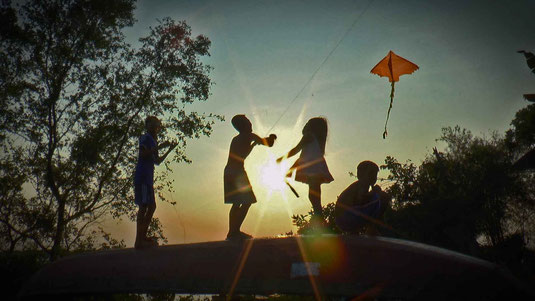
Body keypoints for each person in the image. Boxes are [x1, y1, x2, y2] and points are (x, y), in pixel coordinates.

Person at [224, 115, 276, 241]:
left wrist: (252, 145)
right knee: (248, 201)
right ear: (243, 125)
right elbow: (268, 144)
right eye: (248, 121)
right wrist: (272, 138)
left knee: (236, 203)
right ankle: (234, 231)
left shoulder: (236, 139)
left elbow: (242, 153)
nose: (250, 123)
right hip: (237, 172)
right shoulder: (249, 136)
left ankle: (233, 232)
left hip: (229, 172)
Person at [277, 117, 334, 227]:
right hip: (317, 167)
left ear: (312, 127)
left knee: (313, 195)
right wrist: (291, 170)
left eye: (308, 123)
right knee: (315, 193)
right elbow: (301, 158)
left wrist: (282, 158)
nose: (305, 125)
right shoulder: (318, 141)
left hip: (312, 168)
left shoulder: (308, 136)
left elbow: (296, 150)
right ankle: (318, 217)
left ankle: (318, 218)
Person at [134, 116, 177, 249]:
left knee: (150, 206)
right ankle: (139, 240)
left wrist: (169, 150)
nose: (155, 127)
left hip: (148, 177)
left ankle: (142, 237)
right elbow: (143, 154)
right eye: (152, 124)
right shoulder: (145, 138)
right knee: (145, 206)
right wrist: (159, 147)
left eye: (156, 125)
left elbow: (157, 161)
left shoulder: (153, 140)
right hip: (143, 176)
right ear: (147, 125)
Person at [335, 160, 391, 235]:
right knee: (383, 196)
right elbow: (360, 199)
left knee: (377, 199)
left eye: (375, 175)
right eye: (371, 174)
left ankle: (356, 231)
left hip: (343, 218)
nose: (374, 178)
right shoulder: (362, 184)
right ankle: (372, 228)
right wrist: (374, 193)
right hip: (347, 216)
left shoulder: (358, 186)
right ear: (361, 174)